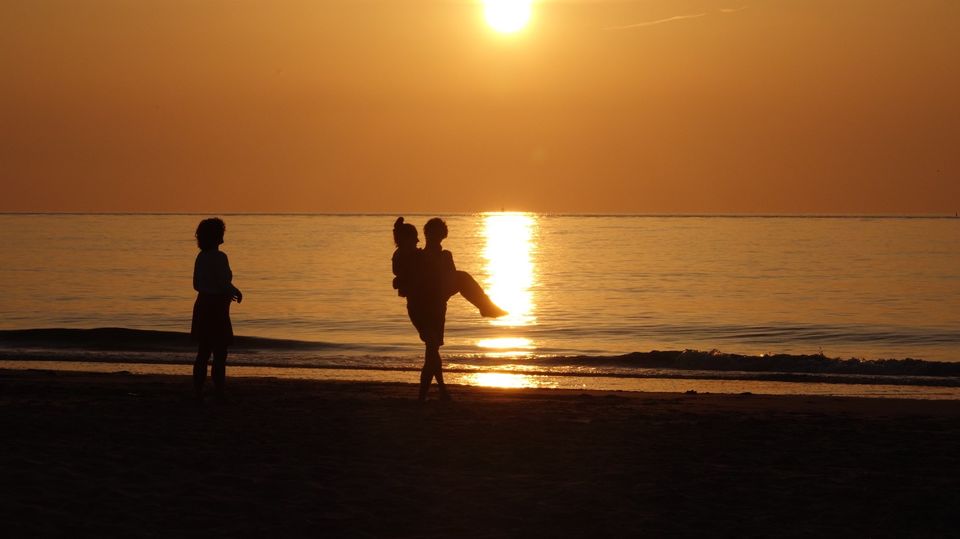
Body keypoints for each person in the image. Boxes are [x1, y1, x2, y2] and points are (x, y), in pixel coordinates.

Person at [392, 217, 506, 402]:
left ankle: (442, 391)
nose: (434, 239)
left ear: (442, 237)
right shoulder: (416, 256)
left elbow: (450, 280)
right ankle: (423, 397)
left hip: (438, 305)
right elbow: (401, 270)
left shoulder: (445, 256)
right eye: (432, 235)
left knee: (433, 348)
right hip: (421, 307)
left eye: (438, 236)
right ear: (427, 234)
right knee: (432, 347)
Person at [191, 217, 242, 401]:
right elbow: (223, 282)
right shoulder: (220, 257)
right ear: (217, 236)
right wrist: (235, 291)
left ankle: (198, 390)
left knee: (203, 351)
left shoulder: (201, 257)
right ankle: (219, 390)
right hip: (217, 308)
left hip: (202, 304)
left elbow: (196, 284)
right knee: (220, 352)